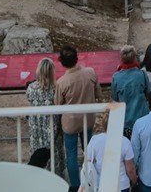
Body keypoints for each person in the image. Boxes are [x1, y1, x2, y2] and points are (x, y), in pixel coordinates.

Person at [56, 45, 99, 192]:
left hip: (71, 123)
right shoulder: (91, 73)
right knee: (89, 151)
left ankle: (75, 186)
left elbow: (57, 104)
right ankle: (91, 180)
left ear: (61, 62)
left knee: (72, 154)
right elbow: (98, 94)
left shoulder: (62, 82)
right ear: (77, 57)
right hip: (88, 119)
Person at [83, 111, 136, 192]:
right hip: (121, 185)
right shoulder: (125, 142)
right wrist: (135, 181)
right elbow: (130, 170)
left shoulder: (95, 140)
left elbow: (88, 163)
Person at [111, 45, 150, 136]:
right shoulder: (142, 74)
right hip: (142, 117)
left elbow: (115, 98)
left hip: (125, 120)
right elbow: (148, 93)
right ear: (134, 58)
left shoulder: (116, 77)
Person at [26, 58, 58, 166]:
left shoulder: (31, 88)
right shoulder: (56, 88)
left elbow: (29, 98)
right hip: (51, 124)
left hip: (36, 124)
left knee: (37, 149)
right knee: (53, 149)